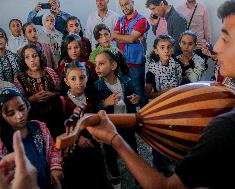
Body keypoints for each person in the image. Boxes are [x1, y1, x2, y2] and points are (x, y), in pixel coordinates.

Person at [85, 0, 235, 188]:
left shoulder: (231, 126)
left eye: (226, 39)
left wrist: (114, 139)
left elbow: (164, 186)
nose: (216, 47)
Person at [0, 87, 63, 189]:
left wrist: (55, 167)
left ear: (27, 105)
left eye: (22, 108)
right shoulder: (2, 139)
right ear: (2, 116)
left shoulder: (39, 126)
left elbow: (52, 149)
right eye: (11, 113)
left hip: (47, 181)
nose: (20, 116)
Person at [94, 50, 139, 189]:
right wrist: (104, 104)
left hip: (127, 125)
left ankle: (138, 176)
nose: (97, 67)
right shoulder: (97, 86)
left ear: (113, 66)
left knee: (132, 151)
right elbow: (94, 109)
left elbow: (134, 99)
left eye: (101, 63)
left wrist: (135, 101)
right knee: (110, 154)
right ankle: (115, 178)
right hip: (109, 128)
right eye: (96, 64)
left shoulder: (126, 81)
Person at [62, 61, 109, 189]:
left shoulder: (91, 98)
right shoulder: (62, 102)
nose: (79, 82)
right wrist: (77, 137)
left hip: (93, 143)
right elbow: (59, 127)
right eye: (73, 78)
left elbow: (96, 118)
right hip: (74, 150)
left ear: (87, 77)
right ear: (66, 81)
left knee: (96, 177)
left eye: (82, 77)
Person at [145, 34, 182, 176]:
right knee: (159, 137)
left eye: (169, 47)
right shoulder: (152, 71)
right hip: (158, 109)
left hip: (174, 107)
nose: (166, 50)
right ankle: (160, 165)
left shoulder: (176, 66)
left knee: (172, 135)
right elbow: (147, 95)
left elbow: (178, 84)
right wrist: (166, 92)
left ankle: (171, 157)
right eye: (162, 48)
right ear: (156, 50)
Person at [14, 44, 65, 140]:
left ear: (40, 57)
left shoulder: (49, 72)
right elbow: (18, 104)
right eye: (27, 57)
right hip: (34, 123)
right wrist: (31, 99)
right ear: (24, 61)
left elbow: (62, 92)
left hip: (55, 120)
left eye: (34, 56)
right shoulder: (19, 79)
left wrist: (52, 94)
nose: (32, 60)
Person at [113, 0, 150, 107]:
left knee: (139, 94)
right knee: (126, 93)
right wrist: (130, 38)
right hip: (122, 63)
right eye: (122, 5)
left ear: (132, 2)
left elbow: (131, 38)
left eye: (127, 4)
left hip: (136, 63)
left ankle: (143, 119)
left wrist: (127, 38)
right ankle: (130, 119)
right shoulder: (120, 20)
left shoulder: (141, 20)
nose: (124, 7)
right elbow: (114, 36)